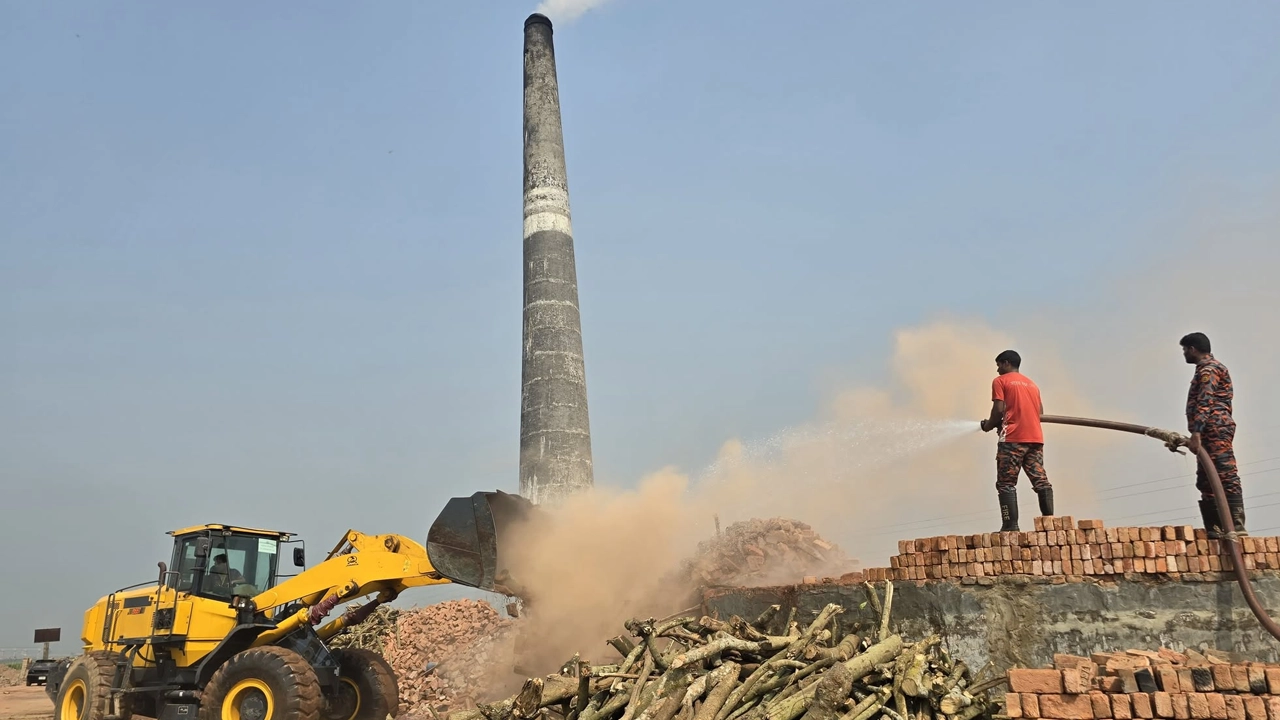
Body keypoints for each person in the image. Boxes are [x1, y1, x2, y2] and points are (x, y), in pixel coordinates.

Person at [980, 350, 1052, 531]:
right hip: (1035, 439)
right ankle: (1050, 523)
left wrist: (988, 425)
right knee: (1040, 480)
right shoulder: (1032, 385)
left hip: (1012, 439)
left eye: (998, 365)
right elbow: (1040, 413)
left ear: (1005, 363)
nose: (997, 370)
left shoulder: (1000, 381)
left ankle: (1010, 526)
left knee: (1006, 483)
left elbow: (998, 409)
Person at [1181, 332, 1245, 536]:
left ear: (1192, 349)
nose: (1184, 354)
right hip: (1208, 430)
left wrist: (1197, 433)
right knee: (1206, 479)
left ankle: (1236, 526)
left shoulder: (1210, 370)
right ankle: (1216, 529)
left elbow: (1205, 401)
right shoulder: (1204, 370)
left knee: (1225, 474)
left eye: (1185, 350)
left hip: (1215, 428)